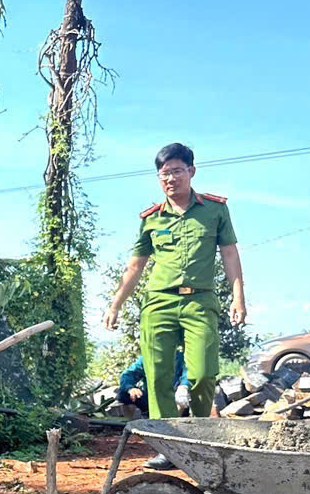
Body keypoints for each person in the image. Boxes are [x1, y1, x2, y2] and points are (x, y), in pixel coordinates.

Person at [103, 142, 246, 465]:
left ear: (191, 172)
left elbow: (230, 255)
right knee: (157, 376)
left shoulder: (215, 210)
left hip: (200, 301)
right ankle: (167, 447)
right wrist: (115, 305)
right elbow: (136, 266)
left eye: (177, 171)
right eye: (164, 174)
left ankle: (201, 437)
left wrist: (238, 296)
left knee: (203, 374)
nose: (171, 179)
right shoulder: (151, 219)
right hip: (158, 304)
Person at [117, 351, 191, 416]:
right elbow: (128, 375)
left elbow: (188, 373)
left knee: (182, 397)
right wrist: (130, 388)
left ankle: (176, 424)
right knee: (123, 394)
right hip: (152, 400)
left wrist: (184, 386)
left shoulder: (181, 357)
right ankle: (130, 424)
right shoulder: (147, 358)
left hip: (175, 400)